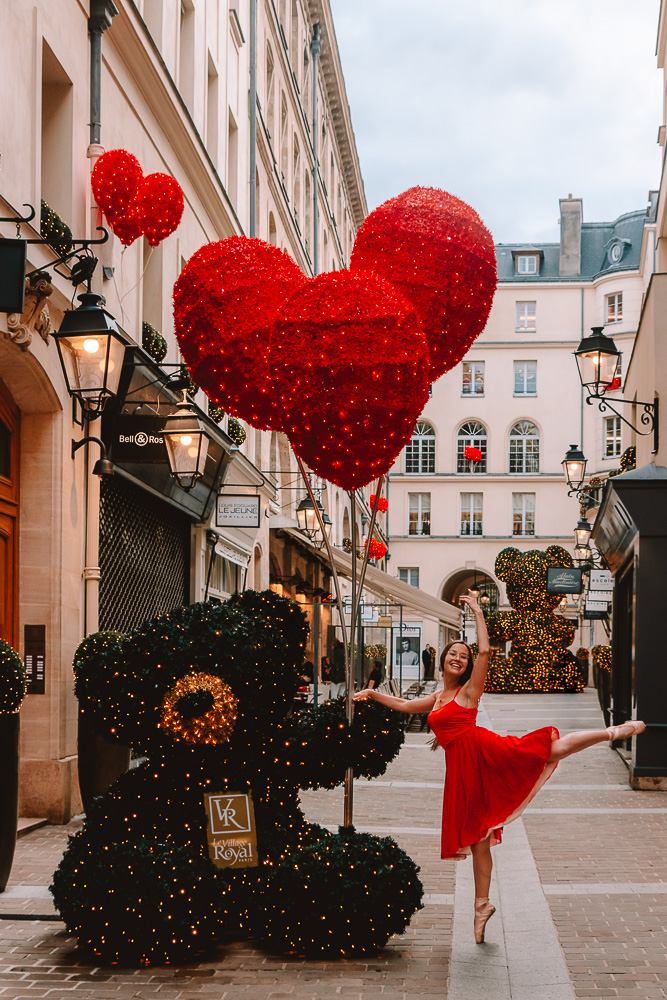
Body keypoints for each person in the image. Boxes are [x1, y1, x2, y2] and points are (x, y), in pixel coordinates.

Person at [354, 591, 645, 945]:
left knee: (550, 750)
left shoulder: (468, 693)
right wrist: (371, 695)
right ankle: (482, 906)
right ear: (442, 660)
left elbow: (486, 652)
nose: (459, 658)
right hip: (463, 773)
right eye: (453, 654)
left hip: (487, 753)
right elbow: (401, 703)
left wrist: (478, 610)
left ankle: (612, 731)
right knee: (479, 841)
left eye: (463, 655)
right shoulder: (438, 697)